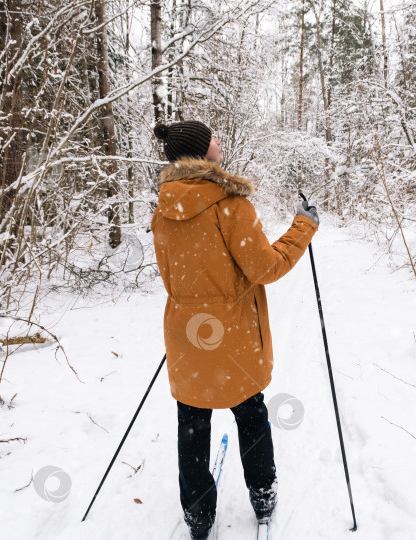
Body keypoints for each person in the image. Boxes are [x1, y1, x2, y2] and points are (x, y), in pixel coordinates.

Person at [150, 120, 319, 539]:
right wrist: (303, 226)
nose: (219, 142)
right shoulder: (230, 203)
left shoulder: (162, 207)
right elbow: (267, 267)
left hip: (187, 335)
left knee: (192, 423)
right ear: (200, 152)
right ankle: (262, 493)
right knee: (250, 414)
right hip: (233, 337)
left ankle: (198, 517)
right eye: (212, 139)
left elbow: (174, 274)